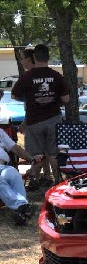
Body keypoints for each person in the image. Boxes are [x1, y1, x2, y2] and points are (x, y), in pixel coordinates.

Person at [11, 43, 69, 186]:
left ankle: (33, 183)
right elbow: (66, 99)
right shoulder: (56, 75)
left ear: (34, 58)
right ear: (48, 58)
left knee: (37, 155)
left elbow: (14, 95)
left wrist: (30, 98)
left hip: (34, 121)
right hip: (54, 119)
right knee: (54, 154)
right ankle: (59, 183)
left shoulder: (27, 76)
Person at [16, 46, 54, 190]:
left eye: (22, 59)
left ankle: (37, 177)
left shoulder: (31, 76)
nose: (21, 62)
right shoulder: (31, 75)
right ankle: (46, 176)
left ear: (29, 59)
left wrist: (26, 122)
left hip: (38, 120)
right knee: (42, 150)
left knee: (39, 151)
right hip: (36, 118)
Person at [0, 127, 41, 225]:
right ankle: (21, 207)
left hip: (3, 166)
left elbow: (15, 148)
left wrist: (31, 158)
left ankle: (21, 211)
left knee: (14, 174)